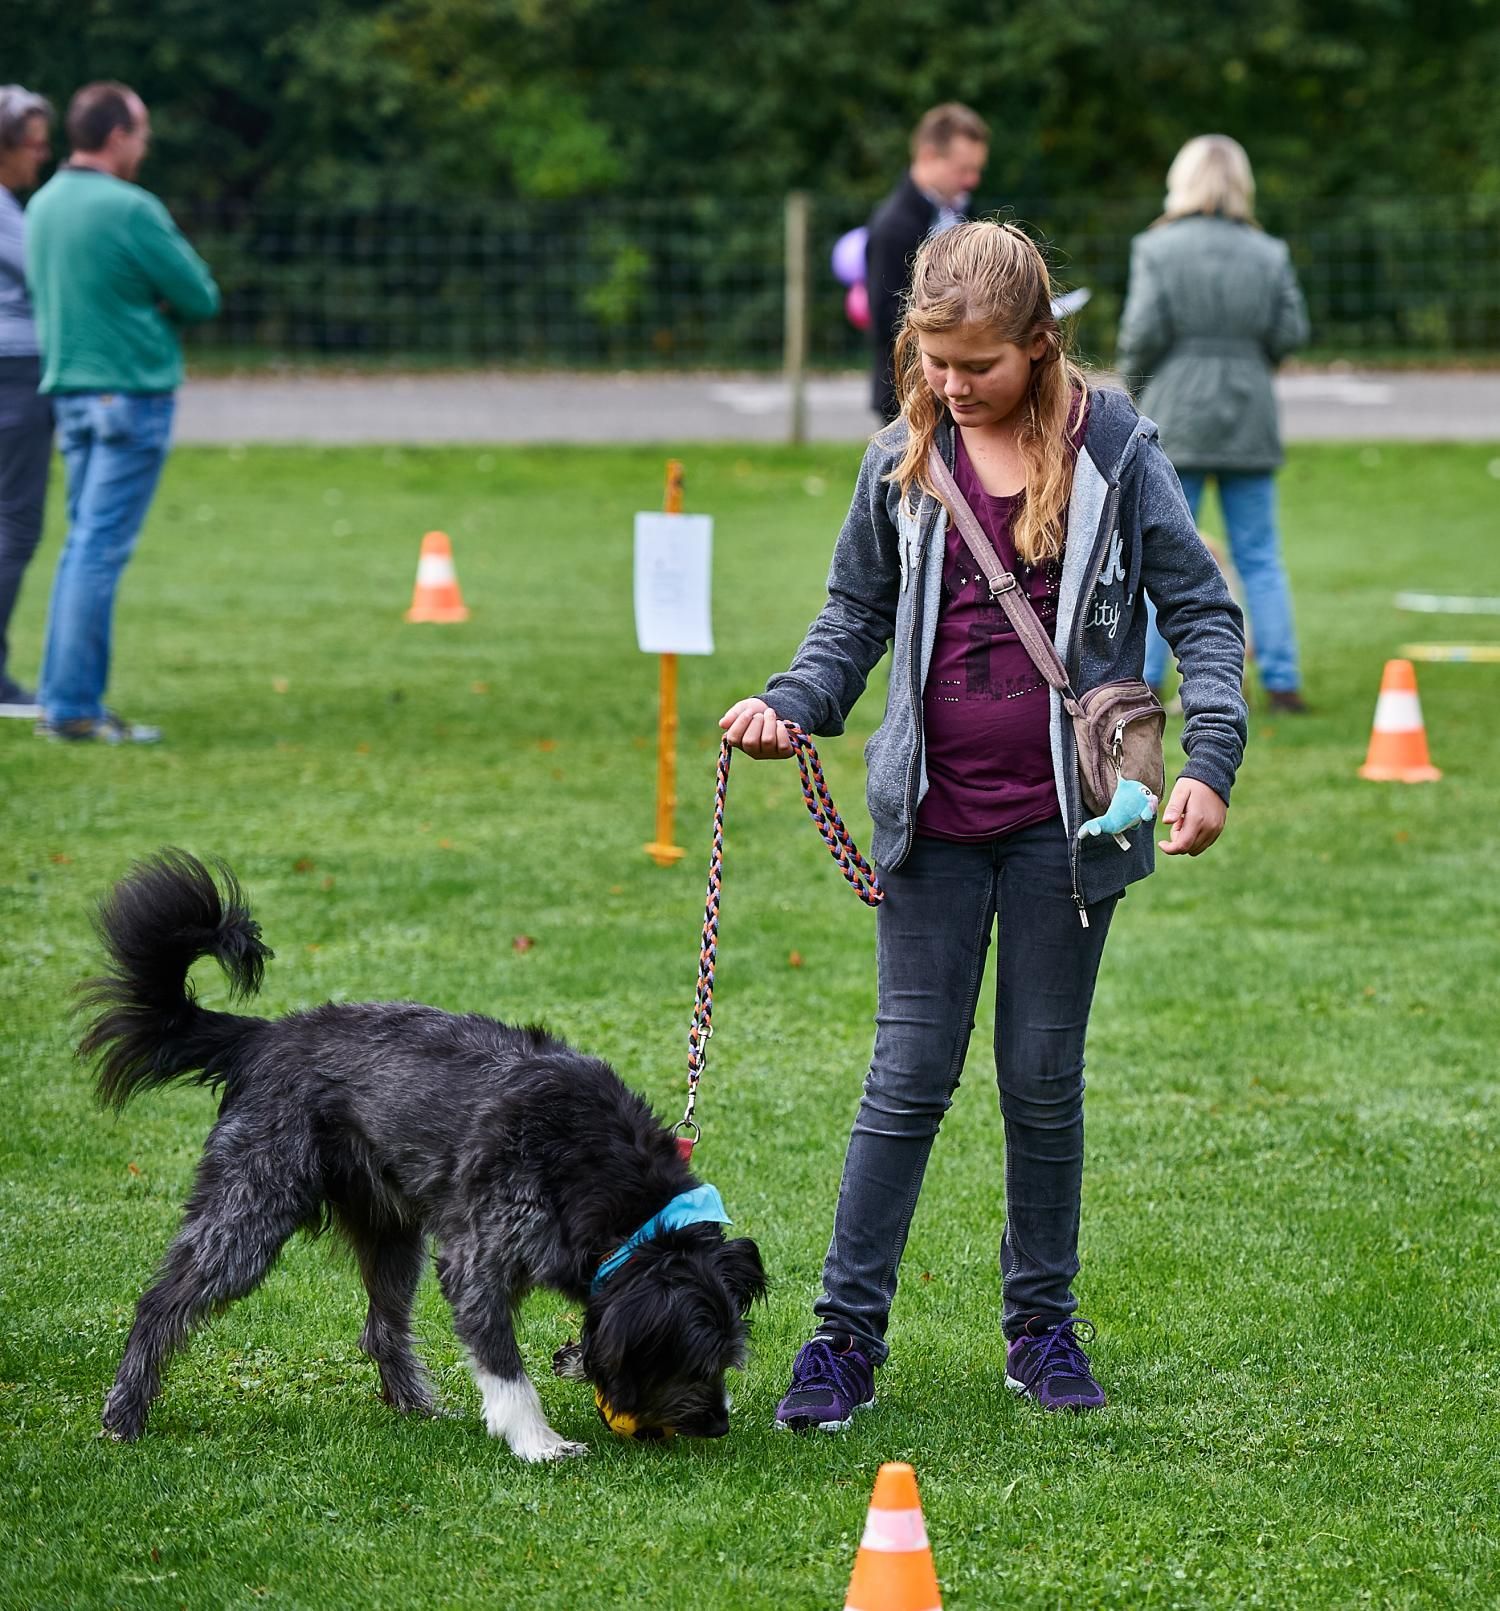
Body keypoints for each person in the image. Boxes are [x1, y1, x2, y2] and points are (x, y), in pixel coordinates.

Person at [720, 220, 1247, 1424]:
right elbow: (852, 614)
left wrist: (1210, 761)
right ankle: (842, 1342)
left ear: (1039, 346)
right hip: (933, 825)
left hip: (1083, 824)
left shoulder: (1117, 449)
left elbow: (1204, 616)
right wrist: (794, 703)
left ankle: (1042, 1333)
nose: (954, 388)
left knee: (1042, 1081)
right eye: (935, 362)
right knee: (906, 1079)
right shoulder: (902, 457)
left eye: (979, 367)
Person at [25, 81, 219, 743]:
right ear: (116, 136)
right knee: (96, 553)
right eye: (141, 134)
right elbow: (199, 295)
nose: (144, 147)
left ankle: (64, 700)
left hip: (70, 396)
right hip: (130, 395)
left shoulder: (42, 205)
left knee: (81, 546)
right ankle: (74, 708)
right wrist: (151, 306)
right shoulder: (131, 208)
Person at [1116, 134, 1310, 714]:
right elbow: (1291, 331)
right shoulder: (1268, 251)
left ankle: (1146, 682)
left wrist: (1130, 389)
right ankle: (1283, 682)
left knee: (1158, 553)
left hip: (1176, 414)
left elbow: (1141, 333)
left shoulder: (1157, 247)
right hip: (1250, 415)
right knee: (1261, 554)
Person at [866, 103, 989, 424]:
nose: (972, 180)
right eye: (963, 170)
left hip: (961, 388)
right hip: (910, 395)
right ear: (928, 157)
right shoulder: (893, 226)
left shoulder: (963, 211)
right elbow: (886, 319)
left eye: (977, 170)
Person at [0, 85, 54, 719]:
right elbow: (49, 274)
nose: (42, 158)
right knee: (14, 526)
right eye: (36, 145)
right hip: (12, 371)